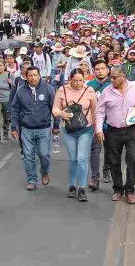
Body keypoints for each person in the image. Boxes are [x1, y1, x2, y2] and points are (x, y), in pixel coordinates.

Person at [95, 65, 135, 204]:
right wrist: (99, 130)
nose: (111, 80)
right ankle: (118, 189)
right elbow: (100, 112)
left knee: (133, 159)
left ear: (123, 76)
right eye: (111, 77)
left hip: (132, 130)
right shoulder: (107, 91)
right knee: (114, 161)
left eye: (114, 77)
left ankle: (130, 190)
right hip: (113, 131)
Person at [53, 68, 98, 201]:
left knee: (82, 159)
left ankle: (82, 188)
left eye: (81, 80)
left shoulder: (89, 91)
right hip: (69, 129)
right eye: (75, 80)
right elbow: (55, 109)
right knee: (73, 159)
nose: (78, 83)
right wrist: (61, 113)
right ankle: (72, 186)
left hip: (86, 128)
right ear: (70, 79)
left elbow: (95, 111)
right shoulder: (62, 90)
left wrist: (97, 129)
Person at [11, 66, 58, 191]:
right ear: (26, 76)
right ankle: (31, 179)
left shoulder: (48, 88)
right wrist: (14, 127)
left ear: (39, 75)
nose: (32, 78)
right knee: (28, 156)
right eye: (30, 75)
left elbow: (55, 108)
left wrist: (56, 125)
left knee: (44, 154)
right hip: (26, 129)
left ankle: (44, 172)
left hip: (44, 128)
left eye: (35, 75)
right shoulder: (21, 90)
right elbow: (15, 109)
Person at [87, 60, 112, 188]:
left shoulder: (113, 83)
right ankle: (95, 178)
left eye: (103, 68)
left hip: (112, 122)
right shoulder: (89, 85)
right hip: (95, 122)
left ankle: (106, 169)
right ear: (94, 71)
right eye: (97, 69)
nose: (100, 71)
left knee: (110, 149)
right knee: (95, 150)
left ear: (107, 70)